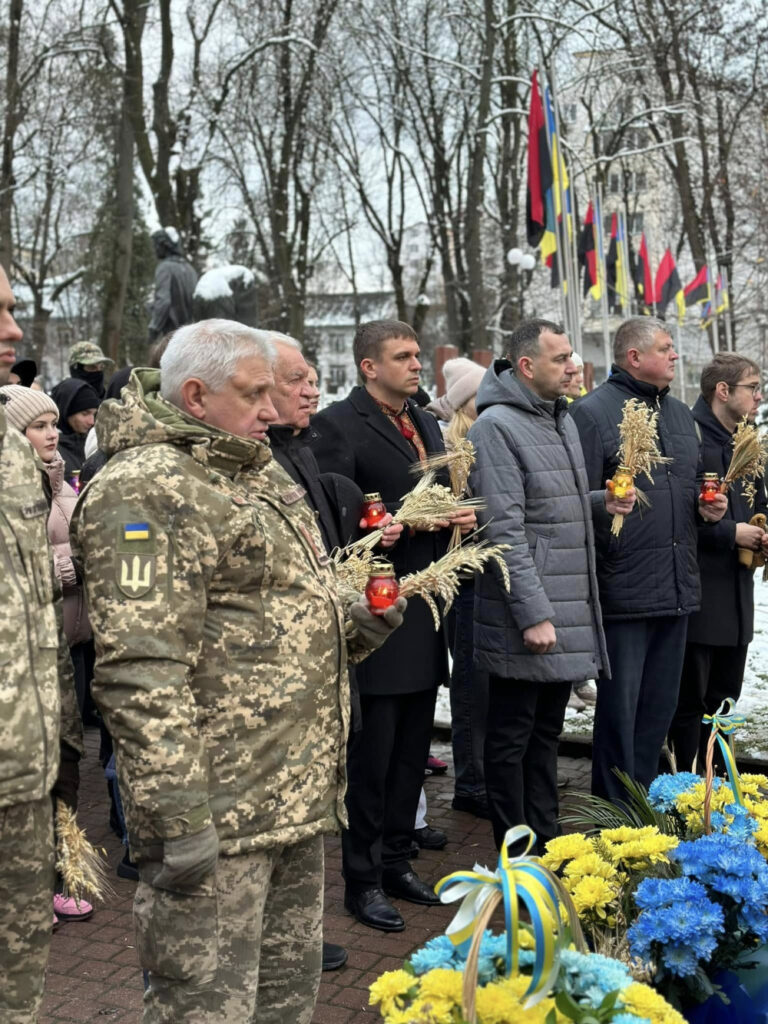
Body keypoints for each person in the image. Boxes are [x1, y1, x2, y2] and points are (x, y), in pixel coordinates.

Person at [72, 319, 406, 1023]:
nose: (274, 410)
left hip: (290, 803)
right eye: (255, 393)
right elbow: (139, 672)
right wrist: (177, 817)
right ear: (196, 395)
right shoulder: (146, 491)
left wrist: (356, 621)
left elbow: (280, 610)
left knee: (284, 1004)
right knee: (207, 1008)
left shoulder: (250, 468)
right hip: (217, 818)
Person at [309, 319, 475, 932]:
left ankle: (400, 860)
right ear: (367, 366)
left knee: (412, 749)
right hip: (379, 612)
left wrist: (449, 518)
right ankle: (363, 878)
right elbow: (333, 518)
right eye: (401, 357)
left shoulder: (427, 422)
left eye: (416, 356)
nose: (414, 365)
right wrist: (390, 528)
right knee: (372, 756)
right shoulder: (338, 425)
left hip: (426, 607)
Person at [468, 319, 625, 853]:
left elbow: (551, 509)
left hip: (564, 608)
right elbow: (503, 529)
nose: (573, 366)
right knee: (512, 739)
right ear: (527, 366)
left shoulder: (557, 418)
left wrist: (602, 503)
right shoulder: (496, 427)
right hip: (528, 615)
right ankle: (516, 854)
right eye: (560, 359)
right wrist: (533, 613)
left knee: (545, 735)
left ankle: (547, 843)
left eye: (571, 357)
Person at [569, 317, 727, 804]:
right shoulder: (592, 414)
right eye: (665, 348)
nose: (675, 355)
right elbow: (574, 499)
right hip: (623, 589)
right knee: (620, 715)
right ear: (633, 357)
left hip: (676, 588)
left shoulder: (681, 415)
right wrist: (604, 502)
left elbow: (688, 495)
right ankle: (611, 817)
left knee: (658, 712)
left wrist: (708, 510)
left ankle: (644, 812)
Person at [0, 262, 84, 1021]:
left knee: (21, 957)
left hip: (24, 766)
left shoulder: (15, 463)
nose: (14, 332)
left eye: (13, 308)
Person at [0, 384, 94, 923]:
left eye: (54, 423)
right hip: (25, 658)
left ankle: (64, 872)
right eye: (39, 425)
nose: (52, 433)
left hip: (69, 649)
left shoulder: (62, 482)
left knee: (67, 761)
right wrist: (68, 571)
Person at [668, 354, 768, 771]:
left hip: (737, 598)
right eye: (752, 387)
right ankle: (682, 795)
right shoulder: (687, 439)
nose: (759, 397)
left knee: (725, 702)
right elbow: (674, 520)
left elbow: (759, 503)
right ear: (722, 391)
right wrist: (732, 533)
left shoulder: (746, 440)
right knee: (691, 704)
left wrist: (762, 530)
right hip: (699, 598)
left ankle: (716, 792)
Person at [438, 357, 490, 819]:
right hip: (465, 580)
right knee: (471, 685)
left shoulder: (486, 435)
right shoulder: (453, 449)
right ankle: (471, 783)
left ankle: (485, 775)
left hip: (489, 573)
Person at [148, 227, 198, 341]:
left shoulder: (165, 268)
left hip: (172, 335)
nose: (155, 249)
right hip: (191, 335)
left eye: (156, 245)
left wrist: (154, 328)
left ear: (165, 245)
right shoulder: (190, 269)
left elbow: (163, 301)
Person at [50, 377, 101, 481]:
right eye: (85, 414)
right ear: (65, 412)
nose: (91, 421)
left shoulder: (94, 443)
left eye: (94, 414)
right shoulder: (49, 448)